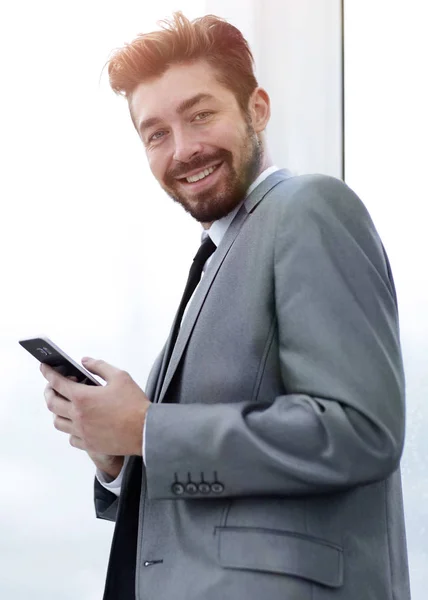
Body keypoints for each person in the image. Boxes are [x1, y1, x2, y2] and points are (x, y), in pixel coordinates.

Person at [41, 11, 411, 600]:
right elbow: (210, 500)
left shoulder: (309, 208)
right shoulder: (221, 254)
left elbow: (360, 432)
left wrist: (147, 429)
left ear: (257, 108)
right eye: (156, 133)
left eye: (200, 114)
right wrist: (119, 455)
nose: (183, 149)